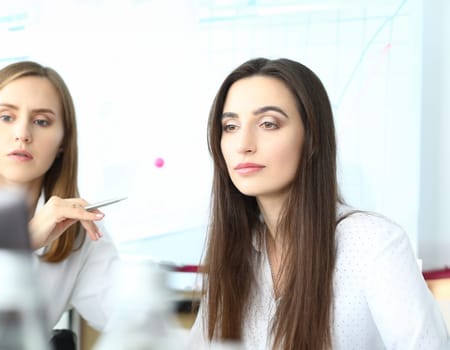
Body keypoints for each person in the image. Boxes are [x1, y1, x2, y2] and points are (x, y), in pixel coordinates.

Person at [187, 58, 449, 349]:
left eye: (268, 124)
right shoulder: (237, 249)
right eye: (231, 126)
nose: (243, 144)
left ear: (311, 138)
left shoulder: (372, 242)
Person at [0, 61, 120, 333]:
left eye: (41, 121)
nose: (22, 134)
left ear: (63, 142)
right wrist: (22, 241)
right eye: (6, 117)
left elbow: (125, 319)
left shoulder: (75, 230)